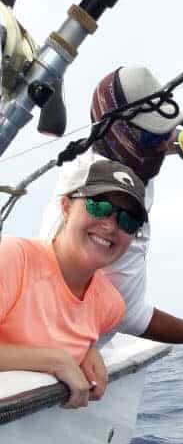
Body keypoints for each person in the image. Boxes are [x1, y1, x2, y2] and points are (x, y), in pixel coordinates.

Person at [40, 66, 183, 385]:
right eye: (153, 136)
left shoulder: (118, 159)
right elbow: (132, 317)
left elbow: (142, 140)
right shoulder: (97, 202)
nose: (163, 144)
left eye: (167, 132)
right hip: (57, 360)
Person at [0, 160, 149, 409]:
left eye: (127, 220)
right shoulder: (14, 258)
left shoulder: (111, 306)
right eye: (98, 205)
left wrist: (86, 351)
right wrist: (56, 360)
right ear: (66, 206)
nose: (110, 226)